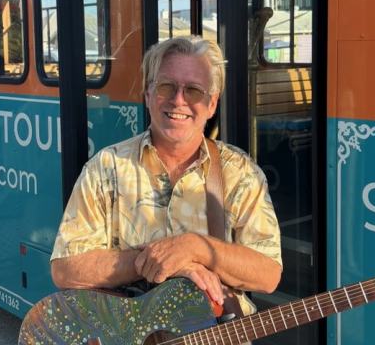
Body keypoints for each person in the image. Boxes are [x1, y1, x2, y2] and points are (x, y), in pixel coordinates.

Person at [50, 35, 282, 316]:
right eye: (166, 87)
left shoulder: (240, 172)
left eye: (194, 90)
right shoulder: (106, 167)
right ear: (148, 95)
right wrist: (153, 261)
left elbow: (268, 274)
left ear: (212, 104)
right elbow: (65, 269)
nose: (178, 100)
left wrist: (196, 247)